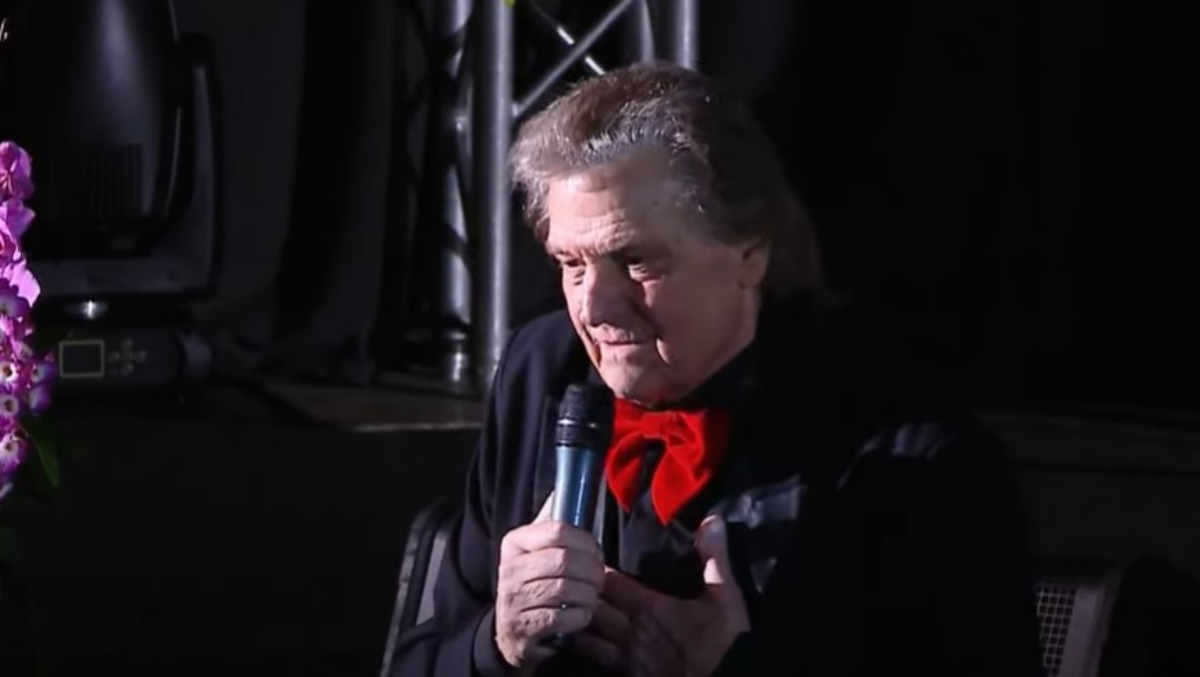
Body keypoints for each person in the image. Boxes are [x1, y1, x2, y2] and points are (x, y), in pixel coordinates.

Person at [390, 62, 1044, 676]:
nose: (593, 307)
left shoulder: (919, 458)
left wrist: (735, 667)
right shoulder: (541, 374)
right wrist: (497, 643)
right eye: (571, 264)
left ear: (750, 252)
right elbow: (418, 659)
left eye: (636, 261)